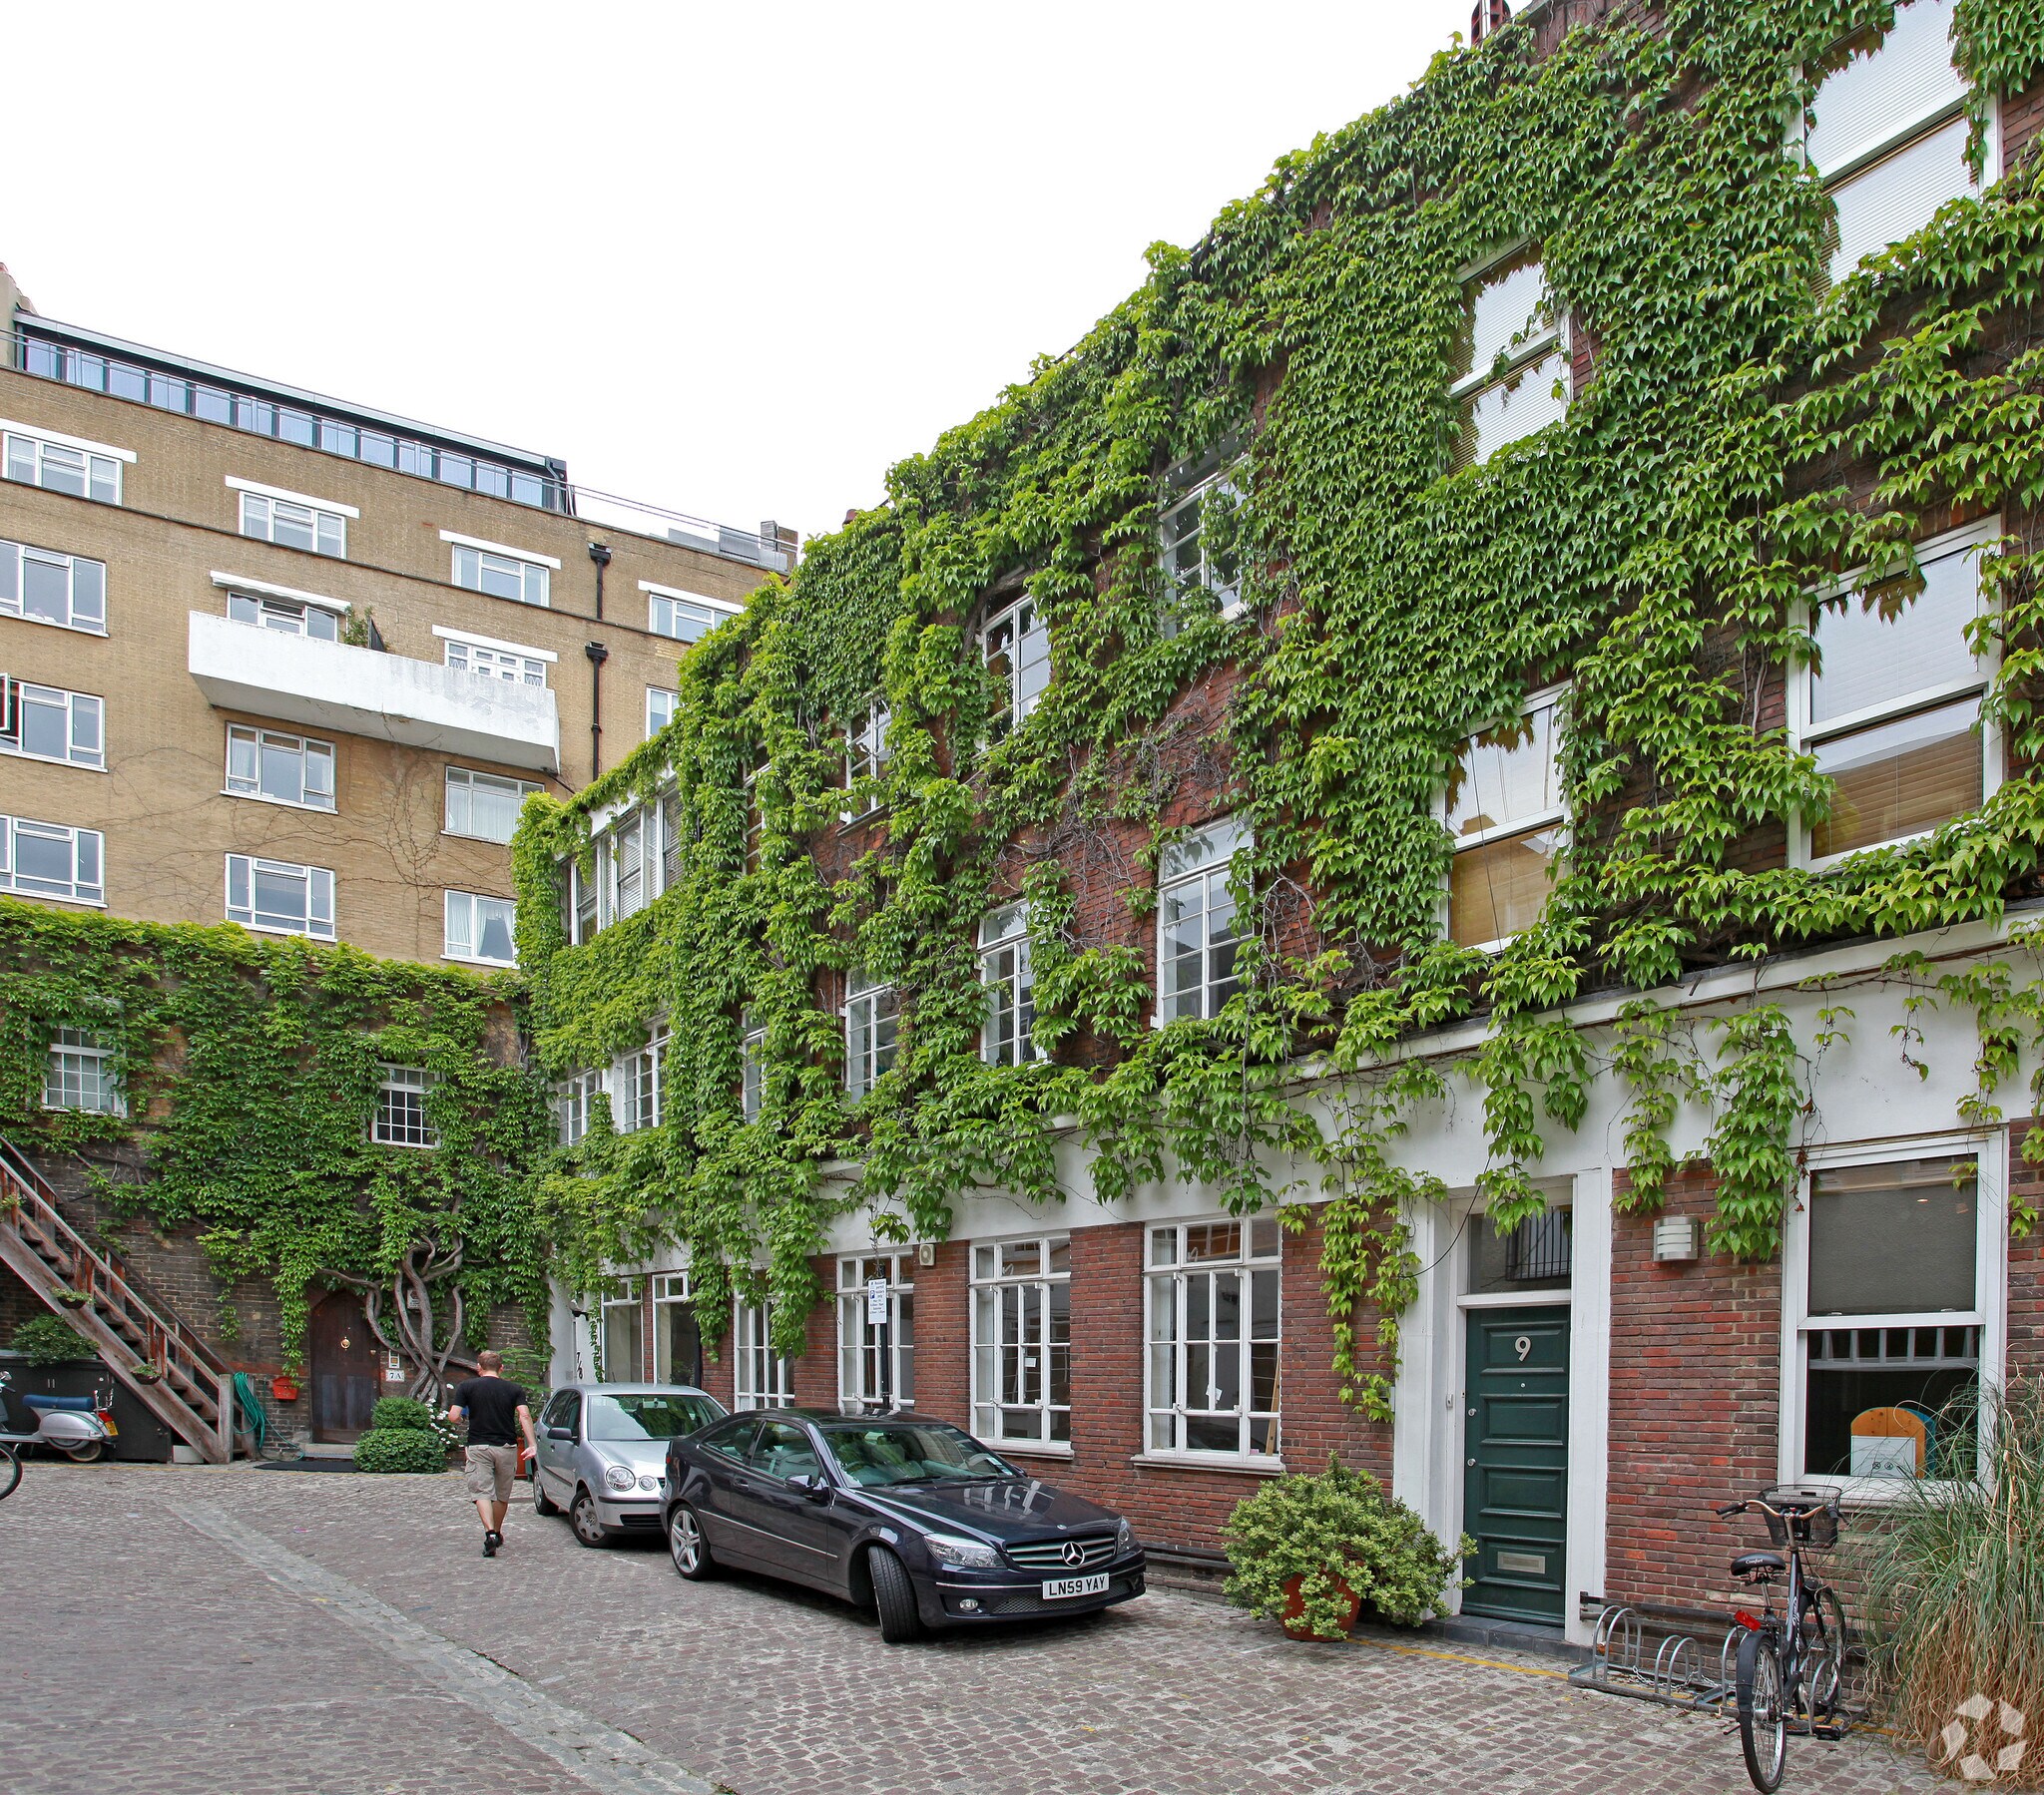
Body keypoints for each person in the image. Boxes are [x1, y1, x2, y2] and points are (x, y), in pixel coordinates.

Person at [445, 1350, 539, 1558]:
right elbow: (524, 1415)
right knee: (501, 1495)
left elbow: (453, 1416)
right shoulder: (514, 1389)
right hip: (506, 1447)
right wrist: (531, 1444)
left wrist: (460, 1419)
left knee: (482, 1492)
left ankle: (490, 1533)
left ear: (479, 1367)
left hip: (479, 1447)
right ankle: (497, 1531)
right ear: (501, 1368)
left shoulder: (466, 1387)